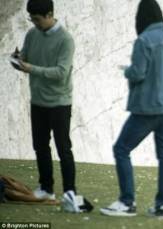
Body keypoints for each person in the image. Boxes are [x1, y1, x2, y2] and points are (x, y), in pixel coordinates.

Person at [100, 0, 163, 218]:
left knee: (121, 149)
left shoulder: (143, 40)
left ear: (141, 18)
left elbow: (138, 73)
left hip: (147, 108)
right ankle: (162, 206)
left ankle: (127, 202)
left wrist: (127, 71)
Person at [10, 0, 84, 213]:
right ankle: (46, 188)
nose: (34, 23)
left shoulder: (65, 39)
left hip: (60, 102)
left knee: (63, 148)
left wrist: (30, 68)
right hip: (38, 101)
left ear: (50, 14)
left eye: (37, 19)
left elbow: (61, 73)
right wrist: (18, 59)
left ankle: (70, 191)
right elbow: (26, 56)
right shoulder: (33, 34)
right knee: (40, 146)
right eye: (31, 19)